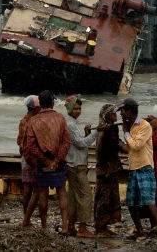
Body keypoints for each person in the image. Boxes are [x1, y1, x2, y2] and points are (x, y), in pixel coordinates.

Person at [23, 90, 71, 232]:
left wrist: (45, 161)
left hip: (42, 162)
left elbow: (31, 146)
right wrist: (56, 161)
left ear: (41, 104)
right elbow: (66, 142)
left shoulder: (33, 121)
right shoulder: (61, 118)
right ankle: (65, 226)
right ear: (52, 102)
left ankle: (44, 226)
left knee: (42, 194)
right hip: (59, 161)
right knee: (61, 192)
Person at [118, 98, 157, 237]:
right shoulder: (131, 125)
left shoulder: (144, 126)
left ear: (130, 112)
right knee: (131, 202)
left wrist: (125, 132)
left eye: (123, 111)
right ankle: (140, 230)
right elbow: (129, 147)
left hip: (144, 167)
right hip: (133, 167)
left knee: (148, 200)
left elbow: (136, 145)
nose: (121, 114)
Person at [64, 95, 98, 238]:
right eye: (75, 108)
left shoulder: (72, 123)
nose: (78, 111)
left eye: (79, 108)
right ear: (70, 108)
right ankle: (82, 228)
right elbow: (81, 144)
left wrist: (86, 133)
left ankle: (71, 225)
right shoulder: (71, 125)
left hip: (72, 163)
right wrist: (96, 132)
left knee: (73, 195)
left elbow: (78, 140)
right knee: (85, 195)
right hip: (76, 165)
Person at [94, 103, 122, 237]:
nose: (117, 115)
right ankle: (100, 228)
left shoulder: (111, 129)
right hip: (106, 170)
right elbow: (102, 151)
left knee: (109, 197)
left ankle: (103, 227)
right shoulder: (105, 131)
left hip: (110, 168)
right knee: (103, 199)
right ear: (108, 116)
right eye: (114, 113)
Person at [16, 95, 40, 226]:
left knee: (26, 189)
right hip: (33, 158)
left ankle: (26, 217)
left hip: (25, 157)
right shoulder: (34, 122)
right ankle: (27, 219)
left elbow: (19, 141)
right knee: (36, 189)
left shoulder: (23, 121)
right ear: (34, 108)